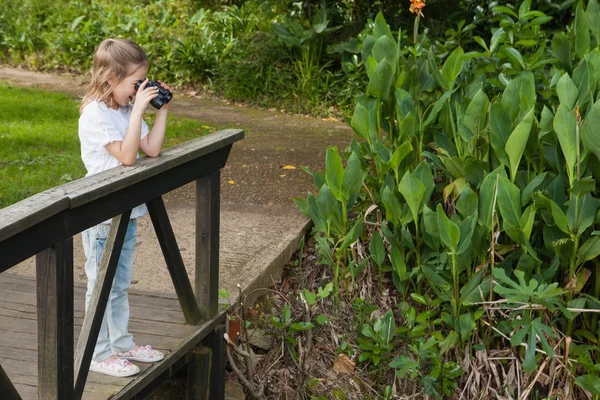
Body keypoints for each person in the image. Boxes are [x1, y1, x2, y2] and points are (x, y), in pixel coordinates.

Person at [78, 38, 171, 377]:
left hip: (127, 211)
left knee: (119, 284)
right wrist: (138, 112)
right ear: (110, 79)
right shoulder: (95, 113)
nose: (138, 90)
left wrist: (159, 110)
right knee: (100, 286)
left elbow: (151, 149)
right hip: (102, 215)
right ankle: (98, 353)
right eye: (135, 84)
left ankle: (121, 343)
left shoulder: (124, 110)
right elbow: (127, 157)